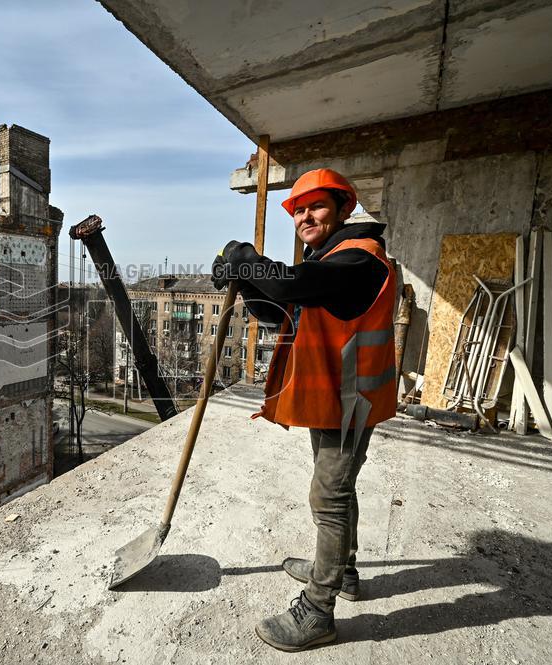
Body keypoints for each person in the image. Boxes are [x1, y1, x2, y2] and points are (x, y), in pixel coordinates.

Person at [211, 168, 397, 652]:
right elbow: (282, 309)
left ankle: (318, 611)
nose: (304, 217)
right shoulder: (330, 256)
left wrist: (245, 258)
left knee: (328, 498)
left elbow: (291, 285)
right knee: (338, 489)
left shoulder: (360, 259)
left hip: (351, 400)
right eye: (297, 210)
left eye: (316, 207)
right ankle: (344, 571)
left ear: (342, 209)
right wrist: (246, 280)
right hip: (334, 397)